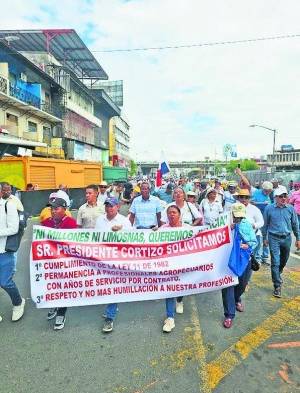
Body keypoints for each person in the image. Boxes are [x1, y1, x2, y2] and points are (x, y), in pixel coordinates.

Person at [95, 197, 132, 333]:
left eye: (111, 206)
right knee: (105, 284)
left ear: (117, 207)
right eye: (107, 206)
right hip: (103, 259)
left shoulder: (124, 221)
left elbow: (133, 240)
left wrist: (120, 233)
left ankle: (110, 317)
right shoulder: (100, 220)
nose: (109, 208)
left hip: (118, 259)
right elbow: (95, 238)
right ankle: (111, 307)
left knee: (114, 285)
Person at [41, 197, 77, 330]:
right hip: (50, 262)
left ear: (64, 210)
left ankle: (61, 313)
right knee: (52, 286)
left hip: (65, 262)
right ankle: (54, 306)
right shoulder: (45, 223)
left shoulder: (70, 223)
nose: (53, 211)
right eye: (51, 208)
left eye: (56, 208)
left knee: (63, 288)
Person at [222, 203, 257, 328]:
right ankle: (229, 315)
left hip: (244, 259)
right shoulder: (223, 224)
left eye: (241, 217)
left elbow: (253, 241)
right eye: (236, 216)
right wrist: (227, 229)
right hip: (226, 261)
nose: (238, 219)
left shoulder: (246, 224)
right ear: (231, 214)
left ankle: (237, 299)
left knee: (242, 284)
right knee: (227, 287)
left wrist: (248, 245)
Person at [262, 186, 300, 298]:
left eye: (285, 196)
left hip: (287, 238)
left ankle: (278, 272)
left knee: (284, 259)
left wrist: (298, 238)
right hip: (273, 238)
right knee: (275, 261)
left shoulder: (290, 209)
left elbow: (295, 224)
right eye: (281, 196)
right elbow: (265, 225)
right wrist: (265, 238)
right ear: (276, 198)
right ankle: (277, 285)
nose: (284, 198)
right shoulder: (269, 208)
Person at [160, 205, 191, 332]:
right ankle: (170, 318)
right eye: (169, 213)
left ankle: (180, 300)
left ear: (179, 215)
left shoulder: (187, 228)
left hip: (184, 264)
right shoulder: (163, 229)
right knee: (170, 290)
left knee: (181, 287)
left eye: (174, 212)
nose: (171, 215)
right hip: (169, 265)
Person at [0, 183, 25, 323]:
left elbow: (14, 229)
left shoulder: (8, 205)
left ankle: (18, 303)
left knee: (5, 282)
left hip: (4, 250)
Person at [236, 189, 264, 264]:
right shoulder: (234, 208)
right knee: (239, 259)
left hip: (253, 237)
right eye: (241, 197)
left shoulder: (254, 209)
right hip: (239, 238)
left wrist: (253, 226)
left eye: (246, 197)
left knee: (250, 260)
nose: (244, 199)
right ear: (238, 198)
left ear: (249, 199)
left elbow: (261, 222)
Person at [251, 181, 273, 264]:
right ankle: (257, 257)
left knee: (266, 237)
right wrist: (260, 203)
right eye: (266, 191)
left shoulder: (271, 194)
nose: (267, 192)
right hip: (257, 218)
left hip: (267, 217)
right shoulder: (256, 193)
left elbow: (273, 203)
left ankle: (265, 256)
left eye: (269, 191)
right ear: (263, 189)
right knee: (258, 237)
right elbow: (251, 202)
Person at [289, 182, 300, 255]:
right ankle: (299, 247)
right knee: (297, 230)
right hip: (297, 215)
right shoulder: (295, 194)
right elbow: (290, 202)